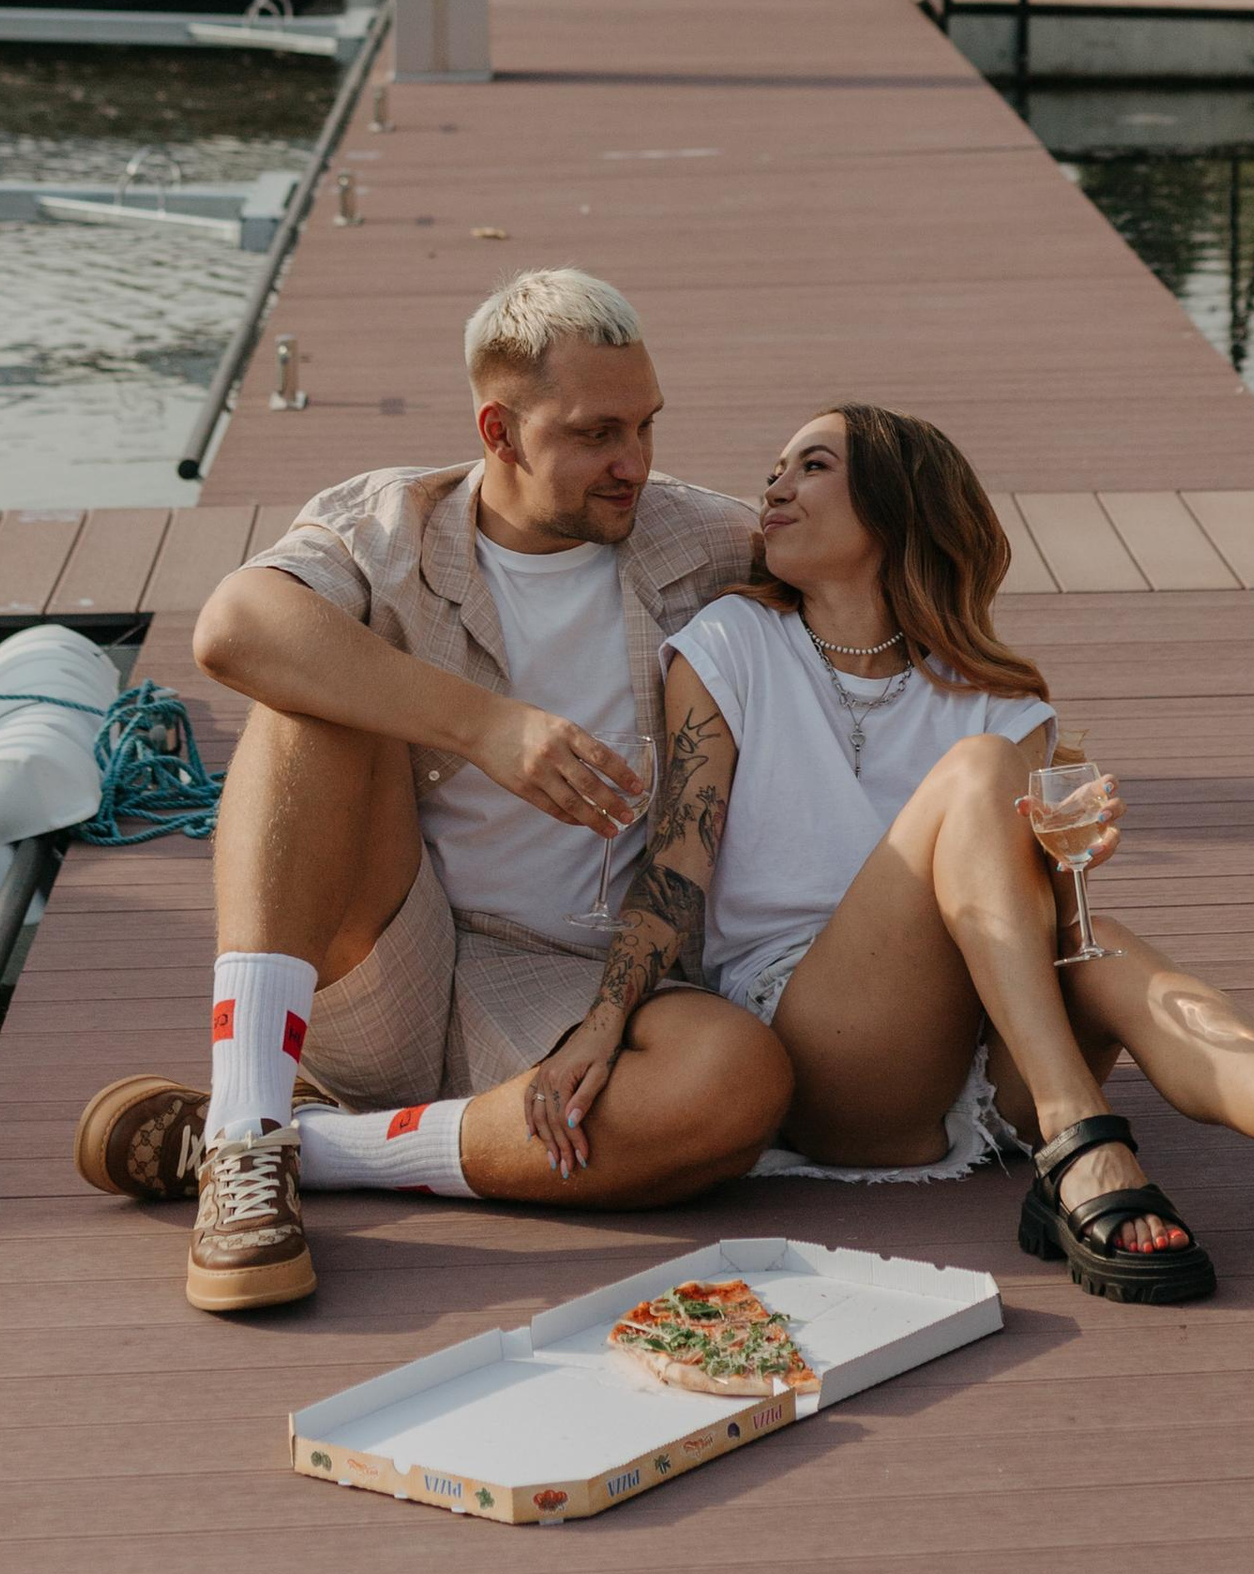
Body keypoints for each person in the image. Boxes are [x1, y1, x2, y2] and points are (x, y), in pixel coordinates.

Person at [525, 402, 1254, 1308]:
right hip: (824, 1050)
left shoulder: (997, 699)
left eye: (811, 467)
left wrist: (1071, 869)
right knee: (981, 771)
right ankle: (1080, 1140)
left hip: (987, 1065)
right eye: (774, 469)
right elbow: (678, 863)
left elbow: (1034, 929)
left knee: (1102, 943)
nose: (774, 487)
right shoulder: (733, 644)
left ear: (896, 508)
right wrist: (604, 1022)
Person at [71, 267, 789, 1313]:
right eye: (596, 434)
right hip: (389, 951)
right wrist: (487, 726)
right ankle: (245, 1132)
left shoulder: (709, 544)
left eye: (645, 425)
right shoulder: (388, 525)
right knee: (310, 686)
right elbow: (232, 627)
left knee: (738, 1085)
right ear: (499, 432)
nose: (633, 462)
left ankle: (304, 1149)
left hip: (577, 987)